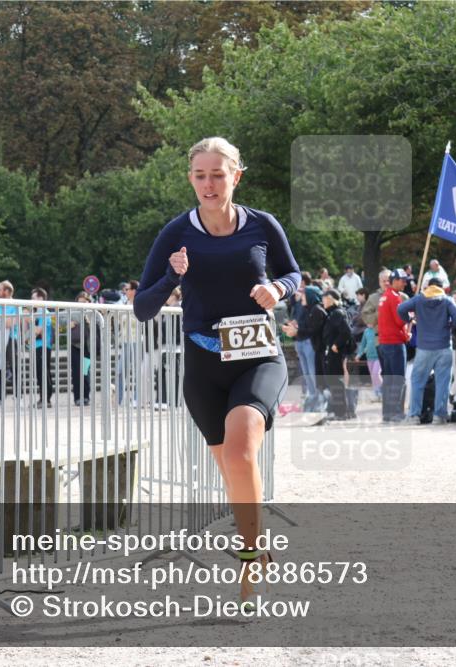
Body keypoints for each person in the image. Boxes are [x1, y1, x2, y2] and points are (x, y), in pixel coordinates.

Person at [132, 137, 301, 606]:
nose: (209, 183)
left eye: (218, 174)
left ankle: (249, 566)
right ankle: (258, 541)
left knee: (243, 447)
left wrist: (278, 289)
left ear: (236, 176)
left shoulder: (263, 225)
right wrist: (172, 277)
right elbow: (142, 308)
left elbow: (294, 274)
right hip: (204, 364)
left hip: (257, 356)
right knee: (232, 470)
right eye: (200, 175)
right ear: (191, 178)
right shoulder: (174, 233)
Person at [398, 277, 456, 424]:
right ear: (441, 287)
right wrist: (451, 326)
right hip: (444, 345)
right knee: (443, 383)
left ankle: (414, 415)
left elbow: (400, 309)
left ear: (428, 286)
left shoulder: (419, 299)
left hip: (424, 347)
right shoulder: (446, 300)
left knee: (417, 381)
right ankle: (439, 416)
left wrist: (409, 320)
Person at [282, 272, 322, 411]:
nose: (299, 291)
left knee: (312, 372)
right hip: (300, 340)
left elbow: (311, 328)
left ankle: (317, 400)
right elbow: (296, 317)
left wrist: (297, 330)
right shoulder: (299, 302)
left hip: (308, 342)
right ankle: (312, 399)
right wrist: (292, 325)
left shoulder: (314, 306)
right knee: (306, 373)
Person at [377, 269, 410, 422]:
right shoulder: (395, 297)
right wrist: (409, 317)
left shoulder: (384, 296)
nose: (405, 283)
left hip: (384, 343)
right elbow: (399, 321)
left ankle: (387, 413)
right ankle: (397, 412)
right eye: (402, 280)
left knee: (388, 380)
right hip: (395, 343)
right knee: (398, 380)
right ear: (395, 280)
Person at [319, 289, 354, 420]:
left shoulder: (338, 313)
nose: (323, 301)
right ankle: (338, 410)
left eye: (325, 298)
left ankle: (342, 412)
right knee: (332, 381)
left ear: (331, 299)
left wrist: (336, 344)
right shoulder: (332, 313)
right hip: (331, 351)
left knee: (335, 381)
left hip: (336, 352)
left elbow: (346, 331)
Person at [29, 287, 55, 408]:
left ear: (41, 298)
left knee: (44, 372)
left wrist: (30, 325)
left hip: (44, 347)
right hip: (37, 346)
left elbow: (38, 331)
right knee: (40, 373)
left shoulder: (44, 313)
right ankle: (43, 399)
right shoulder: (37, 314)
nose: (31, 300)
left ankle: (46, 399)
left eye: (33, 297)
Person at [356, 320, 381, 399]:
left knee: (376, 373)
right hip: (369, 357)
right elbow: (363, 345)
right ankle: (376, 393)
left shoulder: (379, 329)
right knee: (373, 376)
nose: (368, 322)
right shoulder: (366, 331)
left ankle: (382, 391)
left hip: (378, 357)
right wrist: (359, 355)